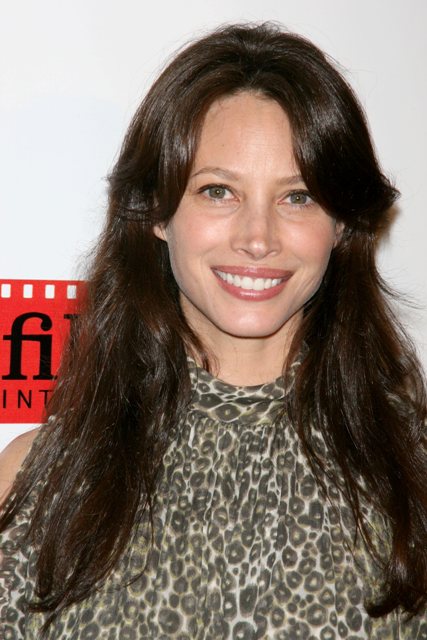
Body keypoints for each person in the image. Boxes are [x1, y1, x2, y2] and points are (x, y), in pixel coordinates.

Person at [0, 21, 426, 639]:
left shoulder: (411, 480)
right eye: (219, 190)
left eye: (298, 197)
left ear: (341, 224)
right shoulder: (41, 482)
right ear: (157, 213)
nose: (258, 238)